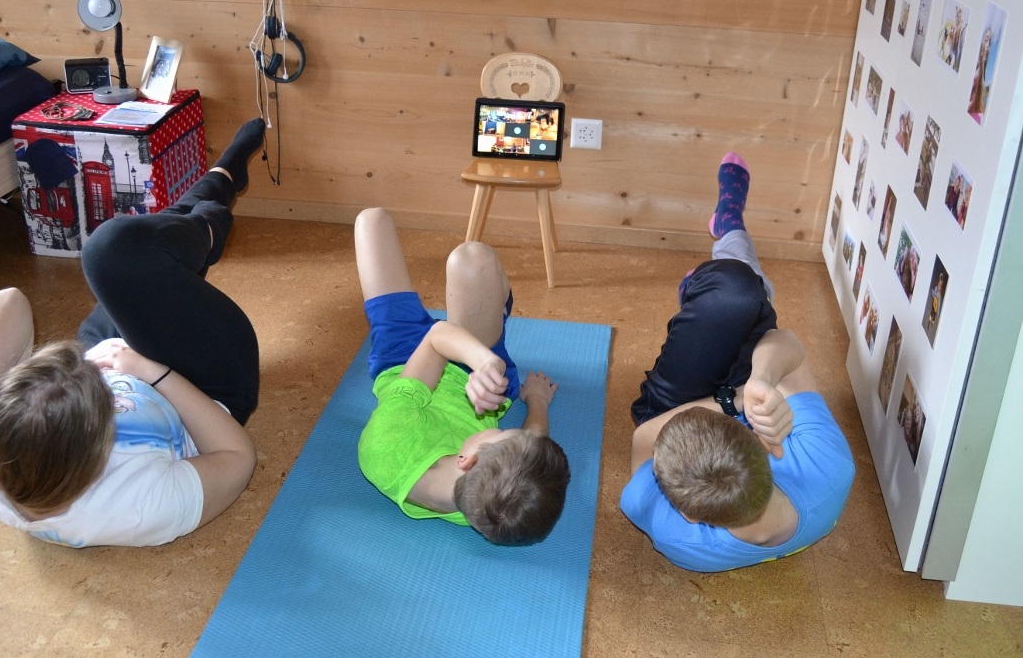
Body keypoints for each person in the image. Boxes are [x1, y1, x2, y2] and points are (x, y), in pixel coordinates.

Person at [0, 118, 268, 548]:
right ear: (102, 446)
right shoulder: (143, 510)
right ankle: (210, 217)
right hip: (203, 387)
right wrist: (150, 372)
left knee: (135, 267)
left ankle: (217, 186)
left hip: (113, 356)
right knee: (114, 254)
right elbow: (237, 457)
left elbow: (6, 303)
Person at [620, 153, 855, 572]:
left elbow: (645, 437)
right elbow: (784, 343)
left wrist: (737, 402)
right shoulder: (828, 468)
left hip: (674, 412)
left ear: (688, 513)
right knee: (747, 296)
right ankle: (723, 241)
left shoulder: (674, 532)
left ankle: (710, 273)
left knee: (737, 291)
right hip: (741, 394)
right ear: (761, 449)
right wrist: (760, 383)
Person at [353, 207, 570, 546]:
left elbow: (439, 339)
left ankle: (491, 303)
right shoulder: (490, 506)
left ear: (466, 460)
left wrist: (481, 360)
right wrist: (537, 400)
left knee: (372, 220)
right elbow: (532, 441)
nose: (501, 426)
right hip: (487, 381)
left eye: (501, 431)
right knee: (472, 257)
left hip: (408, 362)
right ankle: (494, 302)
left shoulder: (388, 445)